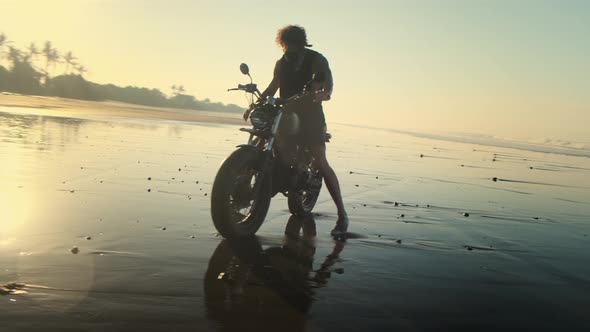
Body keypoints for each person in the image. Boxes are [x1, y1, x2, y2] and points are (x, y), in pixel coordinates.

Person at [242, 25, 349, 236]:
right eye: (285, 43)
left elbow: (327, 85)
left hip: (311, 115)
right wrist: (255, 104)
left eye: (292, 43)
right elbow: (275, 85)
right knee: (261, 137)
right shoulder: (282, 63)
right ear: (282, 43)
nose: (288, 47)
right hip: (285, 112)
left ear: (301, 42)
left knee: (320, 161)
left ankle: (342, 215)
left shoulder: (316, 59)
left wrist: (322, 93)